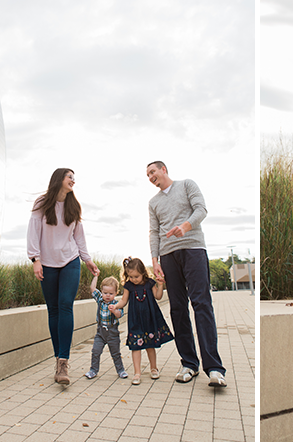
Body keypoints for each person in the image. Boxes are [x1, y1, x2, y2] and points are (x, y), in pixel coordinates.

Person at [146, 161, 227, 387]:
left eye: (153, 172)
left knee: (201, 303)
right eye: (148, 175)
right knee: (178, 308)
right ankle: (189, 363)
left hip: (193, 249)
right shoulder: (153, 202)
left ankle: (214, 368)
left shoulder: (187, 185)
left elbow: (201, 209)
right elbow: (154, 231)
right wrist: (155, 260)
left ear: (164, 170)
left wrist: (186, 226)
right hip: (168, 255)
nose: (151, 177)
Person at [27, 168, 101, 385]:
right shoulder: (42, 203)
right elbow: (33, 231)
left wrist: (86, 259)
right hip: (47, 264)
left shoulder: (73, 206)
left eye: (74, 178)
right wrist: (35, 259)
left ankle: (63, 362)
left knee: (66, 305)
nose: (73, 181)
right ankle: (58, 356)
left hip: (70, 261)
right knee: (54, 310)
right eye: (70, 177)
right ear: (59, 179)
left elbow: (79, 236)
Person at [111, 257, 174, 385]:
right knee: (136, 347)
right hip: (135, 320)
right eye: (131, 276)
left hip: (150, 319)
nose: (134, 279)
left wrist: (160, 285)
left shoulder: (150, 283)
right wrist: (116, 306)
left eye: (136, 276)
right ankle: (137, 372)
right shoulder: (129, 286)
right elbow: (124, 300)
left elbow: (158, 296)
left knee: (150, 346)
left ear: (143, 273)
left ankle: (153, 368)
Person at [85, 276, 128, 379]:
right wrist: (95, 276)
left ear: (116, 293)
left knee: (115, 353)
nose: (108, 295)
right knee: (96, 351)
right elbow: (92, 289)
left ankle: (121, 370)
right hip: (100, 332)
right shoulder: (100, 300)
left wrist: (114, 310)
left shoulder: (117, 304)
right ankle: (93, 370)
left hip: (112, 333)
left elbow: (119, 315)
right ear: (102, 292)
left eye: (111, 293)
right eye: (105, 293)